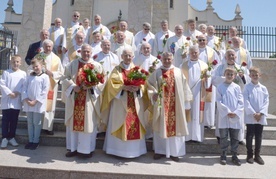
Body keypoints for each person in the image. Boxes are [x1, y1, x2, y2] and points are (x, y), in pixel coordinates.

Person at [101, 48, 148, 158]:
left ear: (133, 57)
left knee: (134, 124)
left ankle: (135, 151)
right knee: (119, 122)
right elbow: (111, 85)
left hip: (134, 102)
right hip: (120, 103)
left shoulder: (137, 70)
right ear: (122, 57)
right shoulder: (117, 70)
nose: (128, 58)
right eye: (125, 55)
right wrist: (123, 87)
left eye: (130, 55)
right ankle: (116, 150)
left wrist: (138, 89)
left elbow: (144, 85)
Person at [147, 52, 192, 162]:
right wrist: (154, 93)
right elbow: (149, 84)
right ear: (161, 59)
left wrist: (186, 103)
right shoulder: (157, 72)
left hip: (175, 105)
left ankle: (175, 152)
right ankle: (160, 151)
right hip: (161, 104)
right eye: (165, 59)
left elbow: (185, 87)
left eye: (169, 59)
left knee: (175, 127)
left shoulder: (178, 71)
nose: (167, 61)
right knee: (160, 126)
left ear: (172, 59)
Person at [62, 44, 104, 158]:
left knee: (88, 123)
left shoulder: (97, 66)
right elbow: (64, 78)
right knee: (74, 124)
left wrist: (91, 87)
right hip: (75, 98)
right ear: (80, 52)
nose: (86, 54)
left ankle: (86, 150)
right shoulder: (72, 64)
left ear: (91, 52)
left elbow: (102, 82)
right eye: (84, 51)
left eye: (88, 52)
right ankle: (73, 148)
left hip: (89, 100)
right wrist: (72, 86)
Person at [212, 49, 250, 144]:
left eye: (233, 55)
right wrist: (227, 78)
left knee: (238, 116)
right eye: (229, 55)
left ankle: (239, 138)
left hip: (236, 96)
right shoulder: (220, 68)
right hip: (224, 95)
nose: (231, 57)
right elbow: (214, 80)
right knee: (222, 116)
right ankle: (221, 136)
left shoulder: (241, 68)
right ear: (225, 57)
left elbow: (247, 81)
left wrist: (242, 77)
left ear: (236, 57)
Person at [180, 45, 211, 143]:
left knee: (197, 113)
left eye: (196, 52)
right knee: (188, 112)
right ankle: (187, 136)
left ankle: (197, 136)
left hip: (199, 93)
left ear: (198, 53)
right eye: (192, 52)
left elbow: (209, 81)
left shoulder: (204, 66)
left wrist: (206, 80)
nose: (194, 54)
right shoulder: (183, 65)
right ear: (189, 53)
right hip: (187, 93)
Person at [216, 67, 244, 166]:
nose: (229, 76)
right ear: (225, 74)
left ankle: (234, 155)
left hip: (234, 116)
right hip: (224, 116)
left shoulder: (237, 87)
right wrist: (227, 111)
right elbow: (218, 101)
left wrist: (235, 112)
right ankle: (223, 154)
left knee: (234, 137)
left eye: (231, 74)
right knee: (223, 137)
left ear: (235, 76)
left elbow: (241, 101)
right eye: (228, 74)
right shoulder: (220, 87)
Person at [22, 57, 50, 150]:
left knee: (37, 122)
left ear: (41, 66)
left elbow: (44, 91)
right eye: (33, 67)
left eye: (37, 66)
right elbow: (24, 88)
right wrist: (26, 99)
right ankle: (30, 140)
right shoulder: (29, 76)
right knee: (30, 122)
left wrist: (35, 101)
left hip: (37, 103)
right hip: (28, 102)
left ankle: (36, 141)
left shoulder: (45, 77)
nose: (35, 68)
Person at [243, 66, 269, 165]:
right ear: (249, 76)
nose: (254, 76)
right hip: (251, 116)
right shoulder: (247, 87)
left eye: (256, 75)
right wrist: (254, 113)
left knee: (259, 135)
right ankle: (249, 154)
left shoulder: (263, 88)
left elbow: (266, 101)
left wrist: (261, 113)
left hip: (260, 116)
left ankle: (257, 155)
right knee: (249, 135)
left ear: (260, 75)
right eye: (252, 75)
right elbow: (246, 101)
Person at [0, 55, 26, 149]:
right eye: (14, 62)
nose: (16, 64)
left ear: (20, 63)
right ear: (11, 62)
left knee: (14, 120)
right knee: (5, 120)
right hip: (7, 99)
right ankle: (4, 138)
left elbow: (24, 85)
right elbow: (2, 84)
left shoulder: (23, 74)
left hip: (16, 99)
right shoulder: (6, 73)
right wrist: (9, 93)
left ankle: (12, 137)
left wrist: (17, 92)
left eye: (17, 62)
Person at [40, 39, 64, 135]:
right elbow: (32, 68)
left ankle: (48, 127)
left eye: (50, 46)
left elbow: (61, 72)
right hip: (40, 87)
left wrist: (52, 73)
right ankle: (40, 126)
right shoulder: (39, 57)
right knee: (41, 105)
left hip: (51, 85)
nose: (48, 48)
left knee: (50, 107)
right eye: (46, 46)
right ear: (43, 46)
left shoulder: (56, 59)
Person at [197, 34, 220, 129]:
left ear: (206, 41)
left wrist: (209, 74)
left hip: (208, 79)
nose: (202, 41)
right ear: (197, 41)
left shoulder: (212, 52)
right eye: (200, 40)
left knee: (208, 101)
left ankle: (208, 122)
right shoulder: (194, 50)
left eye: (204, 40)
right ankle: (198, 120)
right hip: (197, 80)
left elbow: (217, 65)